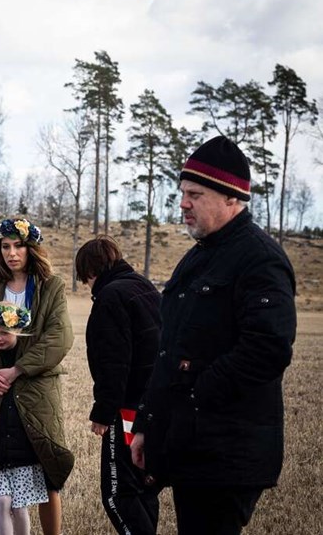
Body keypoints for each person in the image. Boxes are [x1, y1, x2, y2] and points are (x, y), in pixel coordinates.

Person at [130, 136, 297, 535]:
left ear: (231, 198)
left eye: (195, 194)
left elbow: (268, 348)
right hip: (191, 445)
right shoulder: (199, 256)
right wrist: (148, 424)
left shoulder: (260, 259)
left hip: (228, 452)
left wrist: (195, 396)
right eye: (182, 193)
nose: (183, 203)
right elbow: (170, 349)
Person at [0, 217, 74, 535]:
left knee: (47, 474)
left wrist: (17, 369)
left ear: (31, 248)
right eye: (5, 247)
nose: (11, 253)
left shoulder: (50, 287)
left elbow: (59, 337)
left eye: (18, 246)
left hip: (35, 392)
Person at [75, 236, 161, 535]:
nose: (88, 286)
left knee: (118, 495)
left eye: (85, 278)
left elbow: (113, 362)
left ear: (90, 271)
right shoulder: (144, 287)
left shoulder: (111, 297)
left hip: (126, 410)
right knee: (144, 488)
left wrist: (103, 413)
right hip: (155, 406)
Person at [0, 301, 48, 535]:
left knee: (19, 506)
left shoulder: (26, 358)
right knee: (1, 501)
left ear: (18, 330)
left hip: (22, 446)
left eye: (4, 333)